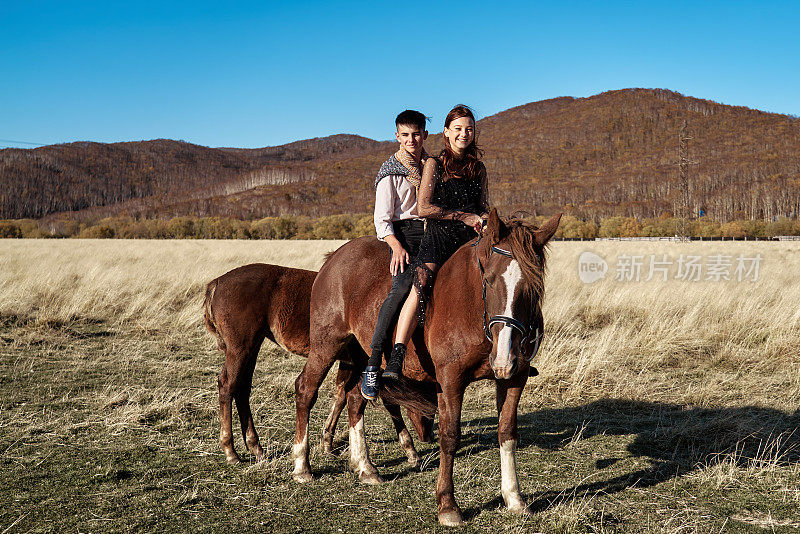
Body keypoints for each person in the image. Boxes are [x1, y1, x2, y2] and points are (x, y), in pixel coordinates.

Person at [383, 105, 489, 380]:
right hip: (440, 236)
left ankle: (502, 349)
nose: (464, 134)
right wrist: (464, 216)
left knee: (497, 279)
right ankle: (397, 356)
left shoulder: (478, 168)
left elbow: (483, 205)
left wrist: (485, 218)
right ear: (446, 132)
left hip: (469, 238)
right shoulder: (434, 164)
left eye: (469, 129)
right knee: (420, 286)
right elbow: (424, 208)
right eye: (458, 129)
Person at [360, 110, 429, 400]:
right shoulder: (390, 171)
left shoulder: (432, 165)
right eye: (405, 135)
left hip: (432, 233)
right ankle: (374, 363)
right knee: (401, 287)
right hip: (404, 235)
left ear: (425, 134)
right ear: (397, 136)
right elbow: (382, 219)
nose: (411, 140)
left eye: (416, 134)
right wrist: (396, 246)